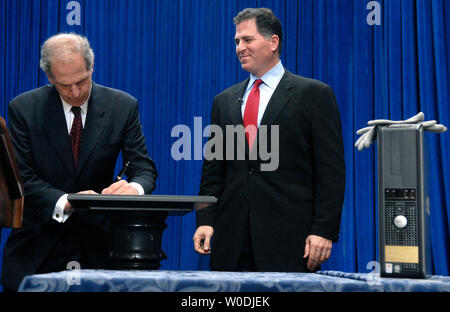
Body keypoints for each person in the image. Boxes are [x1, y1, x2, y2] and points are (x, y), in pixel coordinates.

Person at [1, 33, 157, 291]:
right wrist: (66, 200)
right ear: (50, 78)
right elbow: (22, 178)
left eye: (82, 81)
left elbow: (143, 168)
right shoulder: (24, 109)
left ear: (91, 67)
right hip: (38, 248)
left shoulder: (122, 106)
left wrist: (134, 188)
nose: (75, 92)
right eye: (64, 85)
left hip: (100, 249)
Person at [193, 8, 345, 273]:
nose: (240, 47)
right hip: (231, 241)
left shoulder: (313, 95)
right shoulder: (224, 101)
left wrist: (323, 230)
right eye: (237, 42)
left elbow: (330, 172)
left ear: (273, 42)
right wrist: (205, 219)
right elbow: (213, 170)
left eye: (248, 40)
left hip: (289, 242)